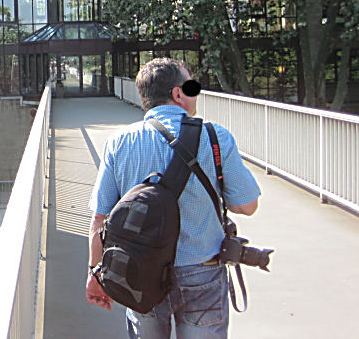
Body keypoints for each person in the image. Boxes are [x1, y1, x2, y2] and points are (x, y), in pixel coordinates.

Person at [86, 58, 261, 338]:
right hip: (203, 273)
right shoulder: (215, 138)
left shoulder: (119, 143)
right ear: (178, 94)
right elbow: (247, 205)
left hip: (140, 274)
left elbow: (99, 219)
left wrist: (95, 273)